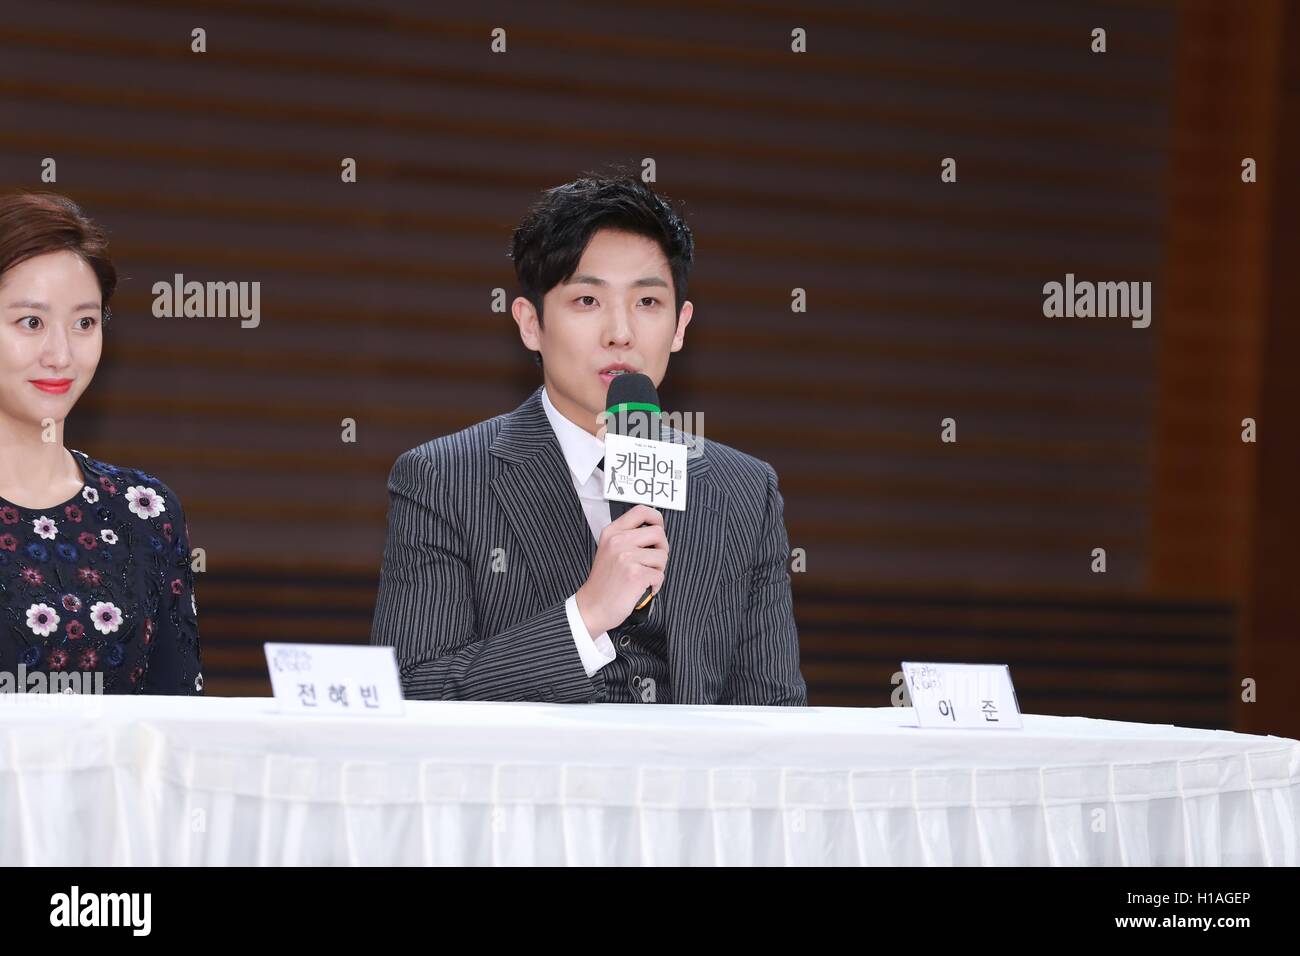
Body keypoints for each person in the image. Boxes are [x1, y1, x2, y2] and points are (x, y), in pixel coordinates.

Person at [370, 171, 806, 705]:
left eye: (647, 303)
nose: (620, 332)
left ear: (680, 326)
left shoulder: (743, 491)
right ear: (531, 324)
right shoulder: (444, 476)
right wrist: (586, 617)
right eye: (587, 301)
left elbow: (776, 716)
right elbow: (409, 693)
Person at [0, 191, 203, 694]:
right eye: (31, 322)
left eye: (84, 323)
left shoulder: (145, 511)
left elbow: (176, 719)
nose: (61, 354)